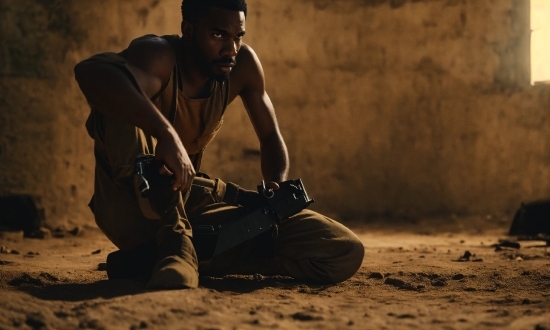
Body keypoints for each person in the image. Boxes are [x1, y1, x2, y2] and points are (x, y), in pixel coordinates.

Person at [74, 0, 364, 290]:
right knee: (121, 97)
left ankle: (157, 259)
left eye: (238, 36)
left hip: (190, 208)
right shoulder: (158, 56)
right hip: (135, 208)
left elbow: (270, 137)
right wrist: (165, 133)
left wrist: (276, 185)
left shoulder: (242, 66)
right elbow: (91, 71)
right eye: (218, 35)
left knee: (342, 249)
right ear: (188, 30)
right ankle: (177, 245)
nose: (231, 49)